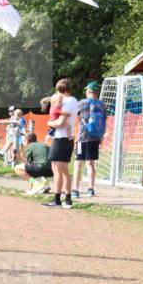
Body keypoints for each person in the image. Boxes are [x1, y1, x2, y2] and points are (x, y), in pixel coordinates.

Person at [44, 78, 78, 208]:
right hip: (68, 138)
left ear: (59, 91)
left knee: (57, 170)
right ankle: (68, 199)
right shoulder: (74, 100)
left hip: (60, 138)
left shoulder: (66, 102)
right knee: (64, 170)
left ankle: (57, 199)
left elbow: (59, 123)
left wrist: (49, 123)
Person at [72, 80, 103, 198]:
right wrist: (100, 138)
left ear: (89, 91)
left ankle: (75, 189)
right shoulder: (101, 105)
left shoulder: (82, 103)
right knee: (90, 164)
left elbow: (73, 114)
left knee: (78, 164)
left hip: (83, 137)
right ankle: (91, 189)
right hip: (95, 138)